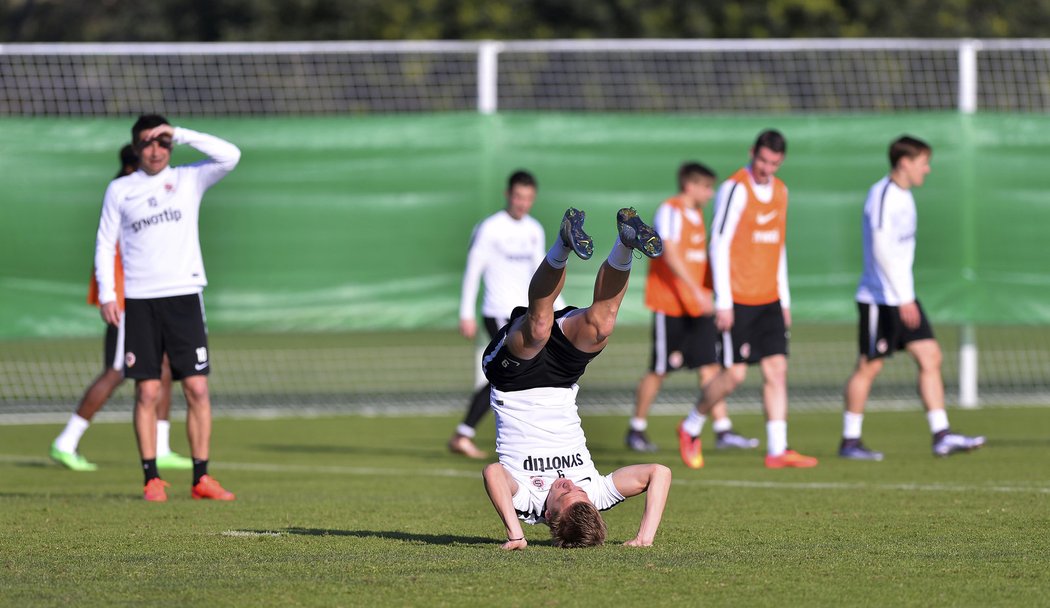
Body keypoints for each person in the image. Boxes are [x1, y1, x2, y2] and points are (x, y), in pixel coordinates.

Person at [481, 206, 672, 550]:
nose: (567, 483)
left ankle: (562, 245)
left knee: (539, 327)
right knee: (602, 325)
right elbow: (660, 472)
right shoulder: (595, 495)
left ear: (552, 517)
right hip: (562, 378)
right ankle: (626, 242)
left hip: (512, 381)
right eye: (578, 490)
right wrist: (645, 538)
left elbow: (493, 473)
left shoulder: (527, 504)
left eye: (563, 494)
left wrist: (516, 534)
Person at [94, 114, 240, 501]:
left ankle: (201, 478)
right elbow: (105, 243)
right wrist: (109, 293)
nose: (155, 150)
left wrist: (183, 133)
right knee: (146, 391)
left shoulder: (189, 179)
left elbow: (230, 155)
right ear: (135, 147)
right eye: (147, 142)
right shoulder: (121, 190)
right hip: (139, 301)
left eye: (162, 142)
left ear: (171, 145)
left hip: (184, 295)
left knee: (197, 387)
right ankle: (151, 478)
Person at [677, 129, 818, 470]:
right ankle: (691, 425)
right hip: (738, 299)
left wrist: (783, 298)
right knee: (735, 375)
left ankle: (777, 450)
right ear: (753, 152)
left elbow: (778, 246)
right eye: (762, 160)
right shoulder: (735, 188)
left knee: (777, 370)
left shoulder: (781, 191)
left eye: (774, 163)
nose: (767, 169)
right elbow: (719, 243)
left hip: (769, 298)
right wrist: (723, 300)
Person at [840, 135, 985, 460]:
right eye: (923, 162)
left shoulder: (906, 197)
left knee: (930, 356)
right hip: (881, 299)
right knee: (869, 367)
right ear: (904, 163)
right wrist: (903, 297)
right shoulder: (882, 195)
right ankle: (850, 441)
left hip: (904, 296)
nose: (928, 169)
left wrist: (907, 295)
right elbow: (880, 249)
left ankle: (941, 435)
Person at [50, 145, 191, 472]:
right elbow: (109, 257)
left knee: (165, 367)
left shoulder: (139, 197)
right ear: (133, 165)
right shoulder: (124, 197)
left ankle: (162, 446)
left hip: (152, 300)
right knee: (116, 371)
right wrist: (112, 297)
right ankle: (67, 440)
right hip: (129, 303)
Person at [625, 162, 759, 455]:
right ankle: (636, 428)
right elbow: (670, 253)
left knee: (710, 366)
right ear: (690, 185)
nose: (710, 194)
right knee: (659, 369)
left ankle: (722, 428)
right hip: (671, 305)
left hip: (698, 308)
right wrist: (696, 290)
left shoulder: (697, 215)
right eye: (706, 187)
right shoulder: (669, 210)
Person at [448, 170, 564, 459]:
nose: (522, 203)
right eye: (518, 197)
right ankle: (472, 434)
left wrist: (559, 307)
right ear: (508, 195)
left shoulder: (534, 230)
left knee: (508, 375)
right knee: (516, 371)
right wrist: (466, 313)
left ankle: (465, 434)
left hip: (528, 313)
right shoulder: (490, 228)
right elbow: (473, 270)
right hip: (498, 313)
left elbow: (542, 273)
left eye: (528, 198)